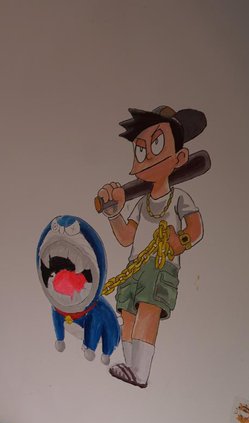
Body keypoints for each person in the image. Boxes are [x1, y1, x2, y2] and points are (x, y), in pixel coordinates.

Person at [97, 105, 206, 388]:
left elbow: (195, 228)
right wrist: (114, 214)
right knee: (128, 314)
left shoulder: (179, 197)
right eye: (141, 150)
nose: (147, 157)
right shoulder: (140, 204)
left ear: (180, 157)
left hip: (160, 266)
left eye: (157, 145)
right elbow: (126, 237)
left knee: (148, 311)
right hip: (135, 266)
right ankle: (129, 366)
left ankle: (141, 372)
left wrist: (180, 242)